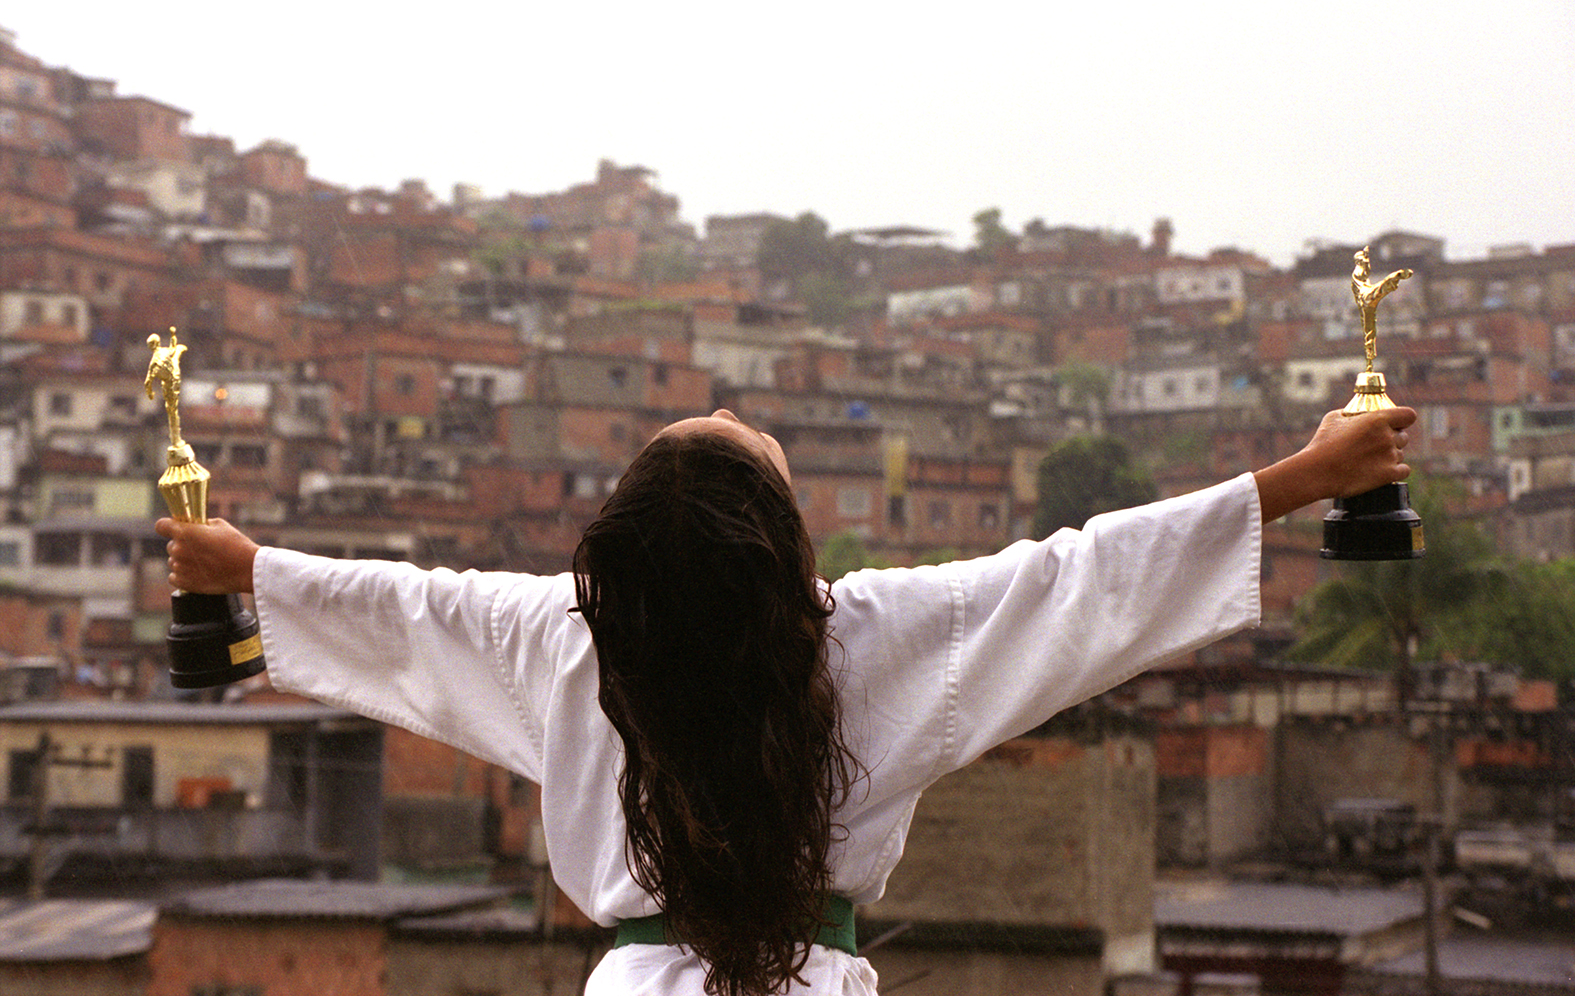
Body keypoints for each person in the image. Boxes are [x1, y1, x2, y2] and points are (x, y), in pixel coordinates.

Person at [157, 405, 1415, 996]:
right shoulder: (861, 637)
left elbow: (403, 611)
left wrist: (248, 572)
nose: (736, 412)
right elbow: (1078, 582)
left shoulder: (564, 636)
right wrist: (1306, 476)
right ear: (781, 540)